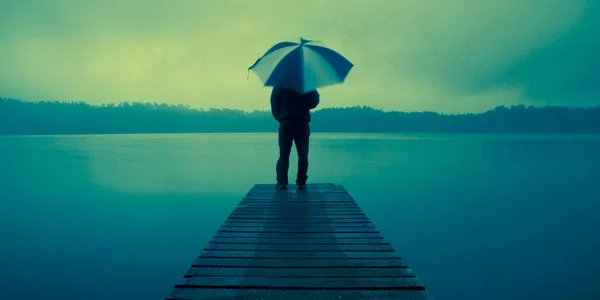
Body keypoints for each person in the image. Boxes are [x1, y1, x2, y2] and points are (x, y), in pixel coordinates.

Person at [270, 86, 320, 190]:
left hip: (286, 122)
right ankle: (301, 182)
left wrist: (279, 117)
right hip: (302, 123)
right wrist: (313, 89)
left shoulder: (280, 84)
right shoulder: (306, 83)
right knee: (303, 155)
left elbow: (274, 102)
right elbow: (313, 103)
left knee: (284, 154)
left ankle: (282, 182)